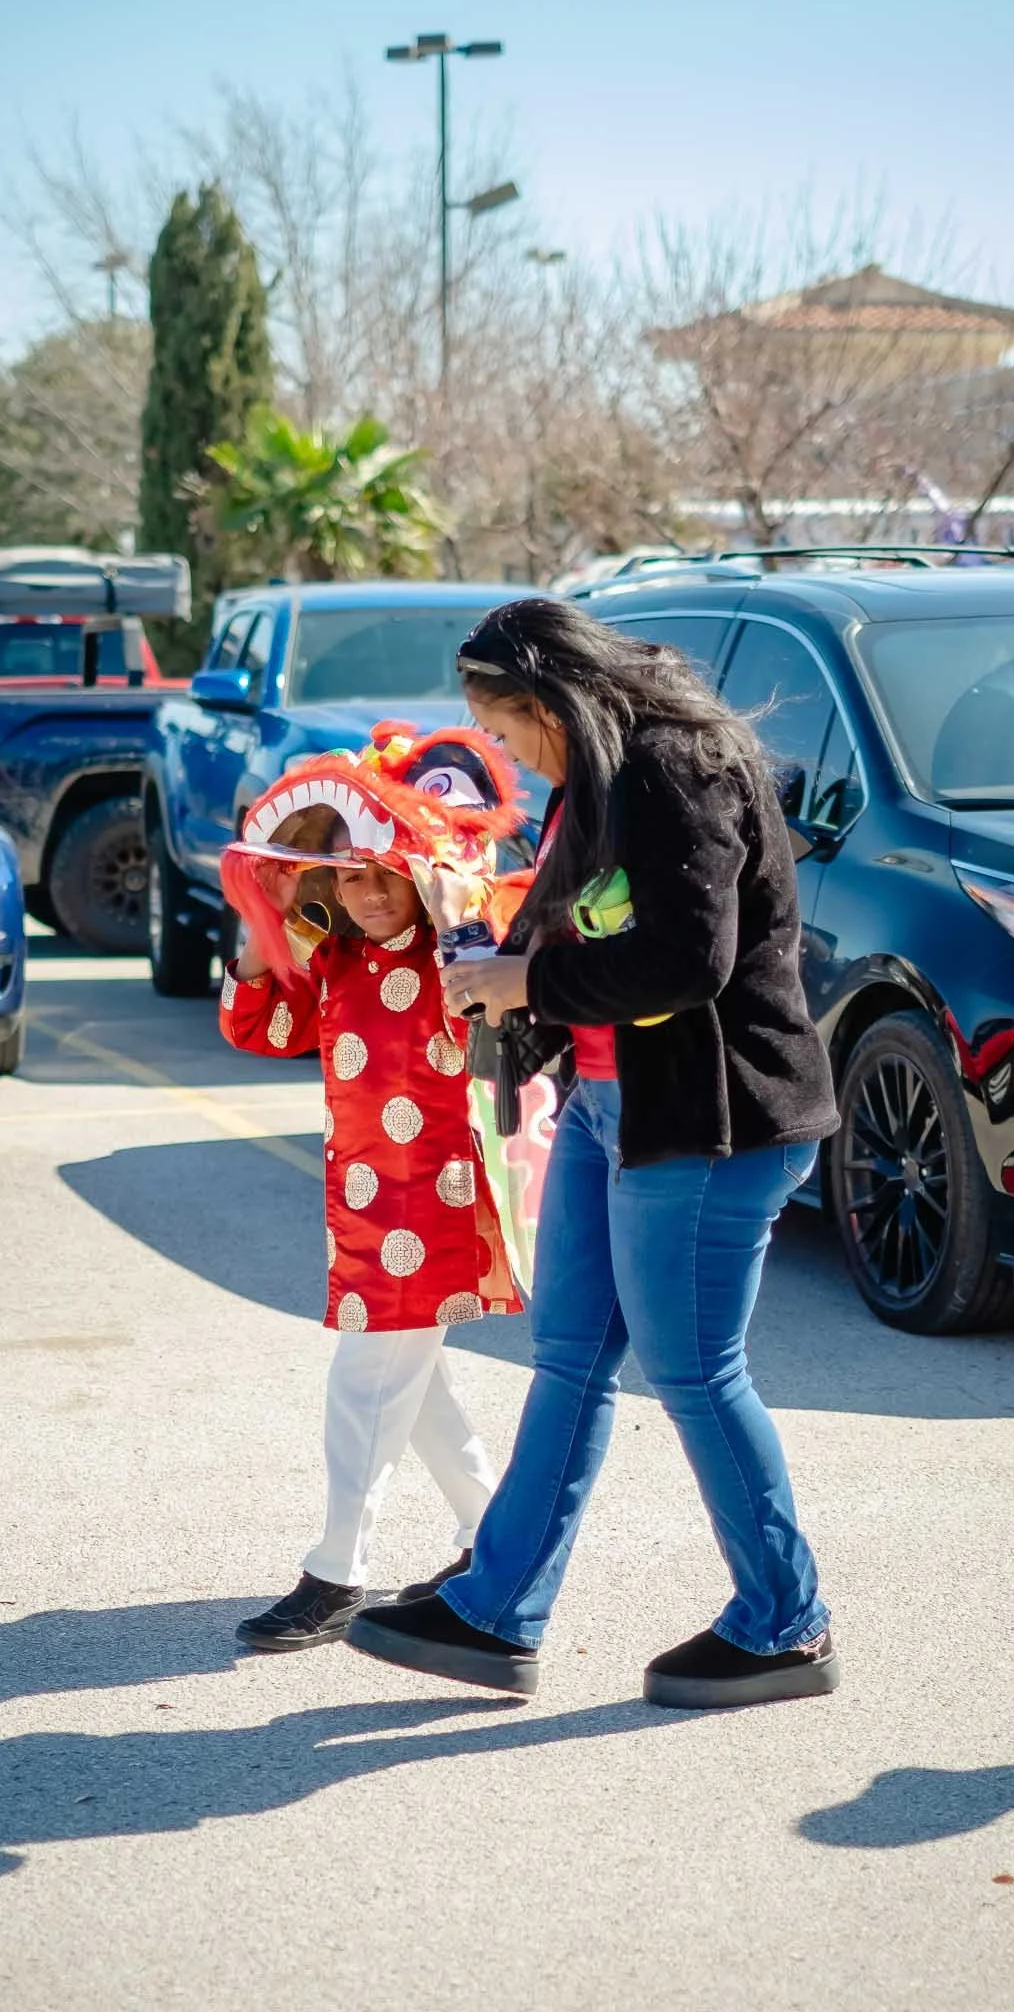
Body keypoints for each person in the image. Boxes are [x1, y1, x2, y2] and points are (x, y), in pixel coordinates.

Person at [347, 598, 842, 1709]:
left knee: (696, 1374)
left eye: (512, 734)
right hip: (610, 1108)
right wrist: (491, 954)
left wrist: (526, 982)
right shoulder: (603, 772)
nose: (513, 758)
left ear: (551, 703)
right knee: (568, 1353)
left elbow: (687, 960)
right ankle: (493, 1611)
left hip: (711, 1124)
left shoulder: (680, 764)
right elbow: (580, 923)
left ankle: (787, 1622)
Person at [220, 759, 522, 1653]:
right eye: (347, 875)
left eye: (383, 873)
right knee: (409, 1382)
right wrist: (261, 924)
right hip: (361, 1202)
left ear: (416, 872)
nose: (366, 894)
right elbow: (259, 1028)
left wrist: (453, 903)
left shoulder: (458, 952)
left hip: (438, 1197)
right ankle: (492, 1538)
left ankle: (336, 1570)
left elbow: (495, 952)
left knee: (366, 1381)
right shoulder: (336, 958)